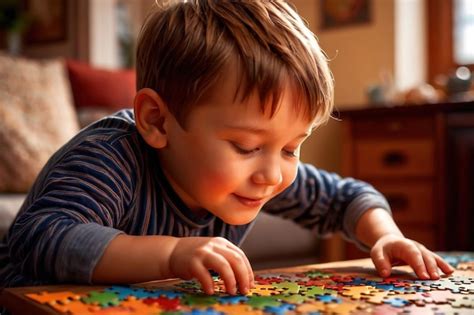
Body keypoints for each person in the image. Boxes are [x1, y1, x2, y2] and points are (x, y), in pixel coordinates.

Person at [0, 0, 453, 296]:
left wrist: (387, 236)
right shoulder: (110, 157)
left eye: (292, 148)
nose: (272, 175)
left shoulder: (256, 174)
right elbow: (39, 236)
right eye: (245, 145)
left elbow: (348, 197)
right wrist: (172, 254)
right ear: (158, 121)